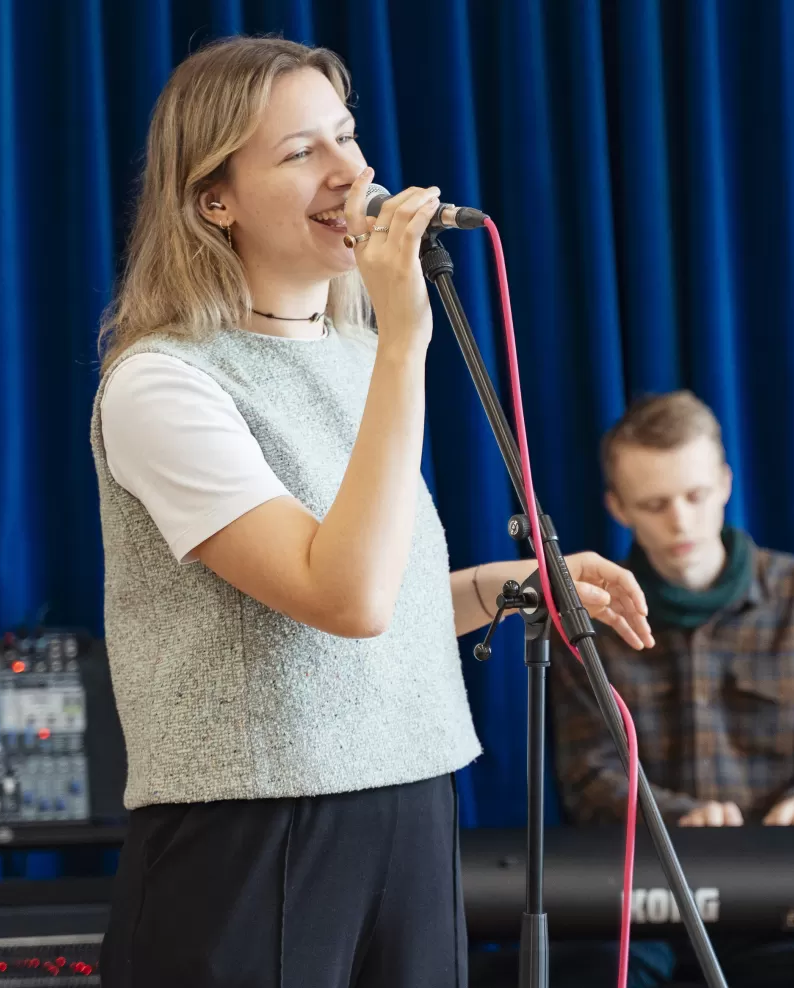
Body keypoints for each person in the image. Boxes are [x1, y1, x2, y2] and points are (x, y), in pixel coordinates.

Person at [87, 36, 654, 988]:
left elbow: (374, 588)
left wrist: (514, 585)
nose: (352, 173)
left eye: (347, 137)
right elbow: (343, 599)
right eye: (300, 150)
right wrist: (405, 345)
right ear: (211, 198)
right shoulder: (163, 385)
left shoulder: (352, 353)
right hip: (253, 830)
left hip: (410, 803)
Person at [549, 390, 794, 988]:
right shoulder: (587, 621)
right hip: (643, 907)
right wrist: (681, 819)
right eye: (655, 503)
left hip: (789, 903)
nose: (680, 520)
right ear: (619, 507)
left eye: (695, 496)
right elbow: (587, 777)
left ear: (726, 483)